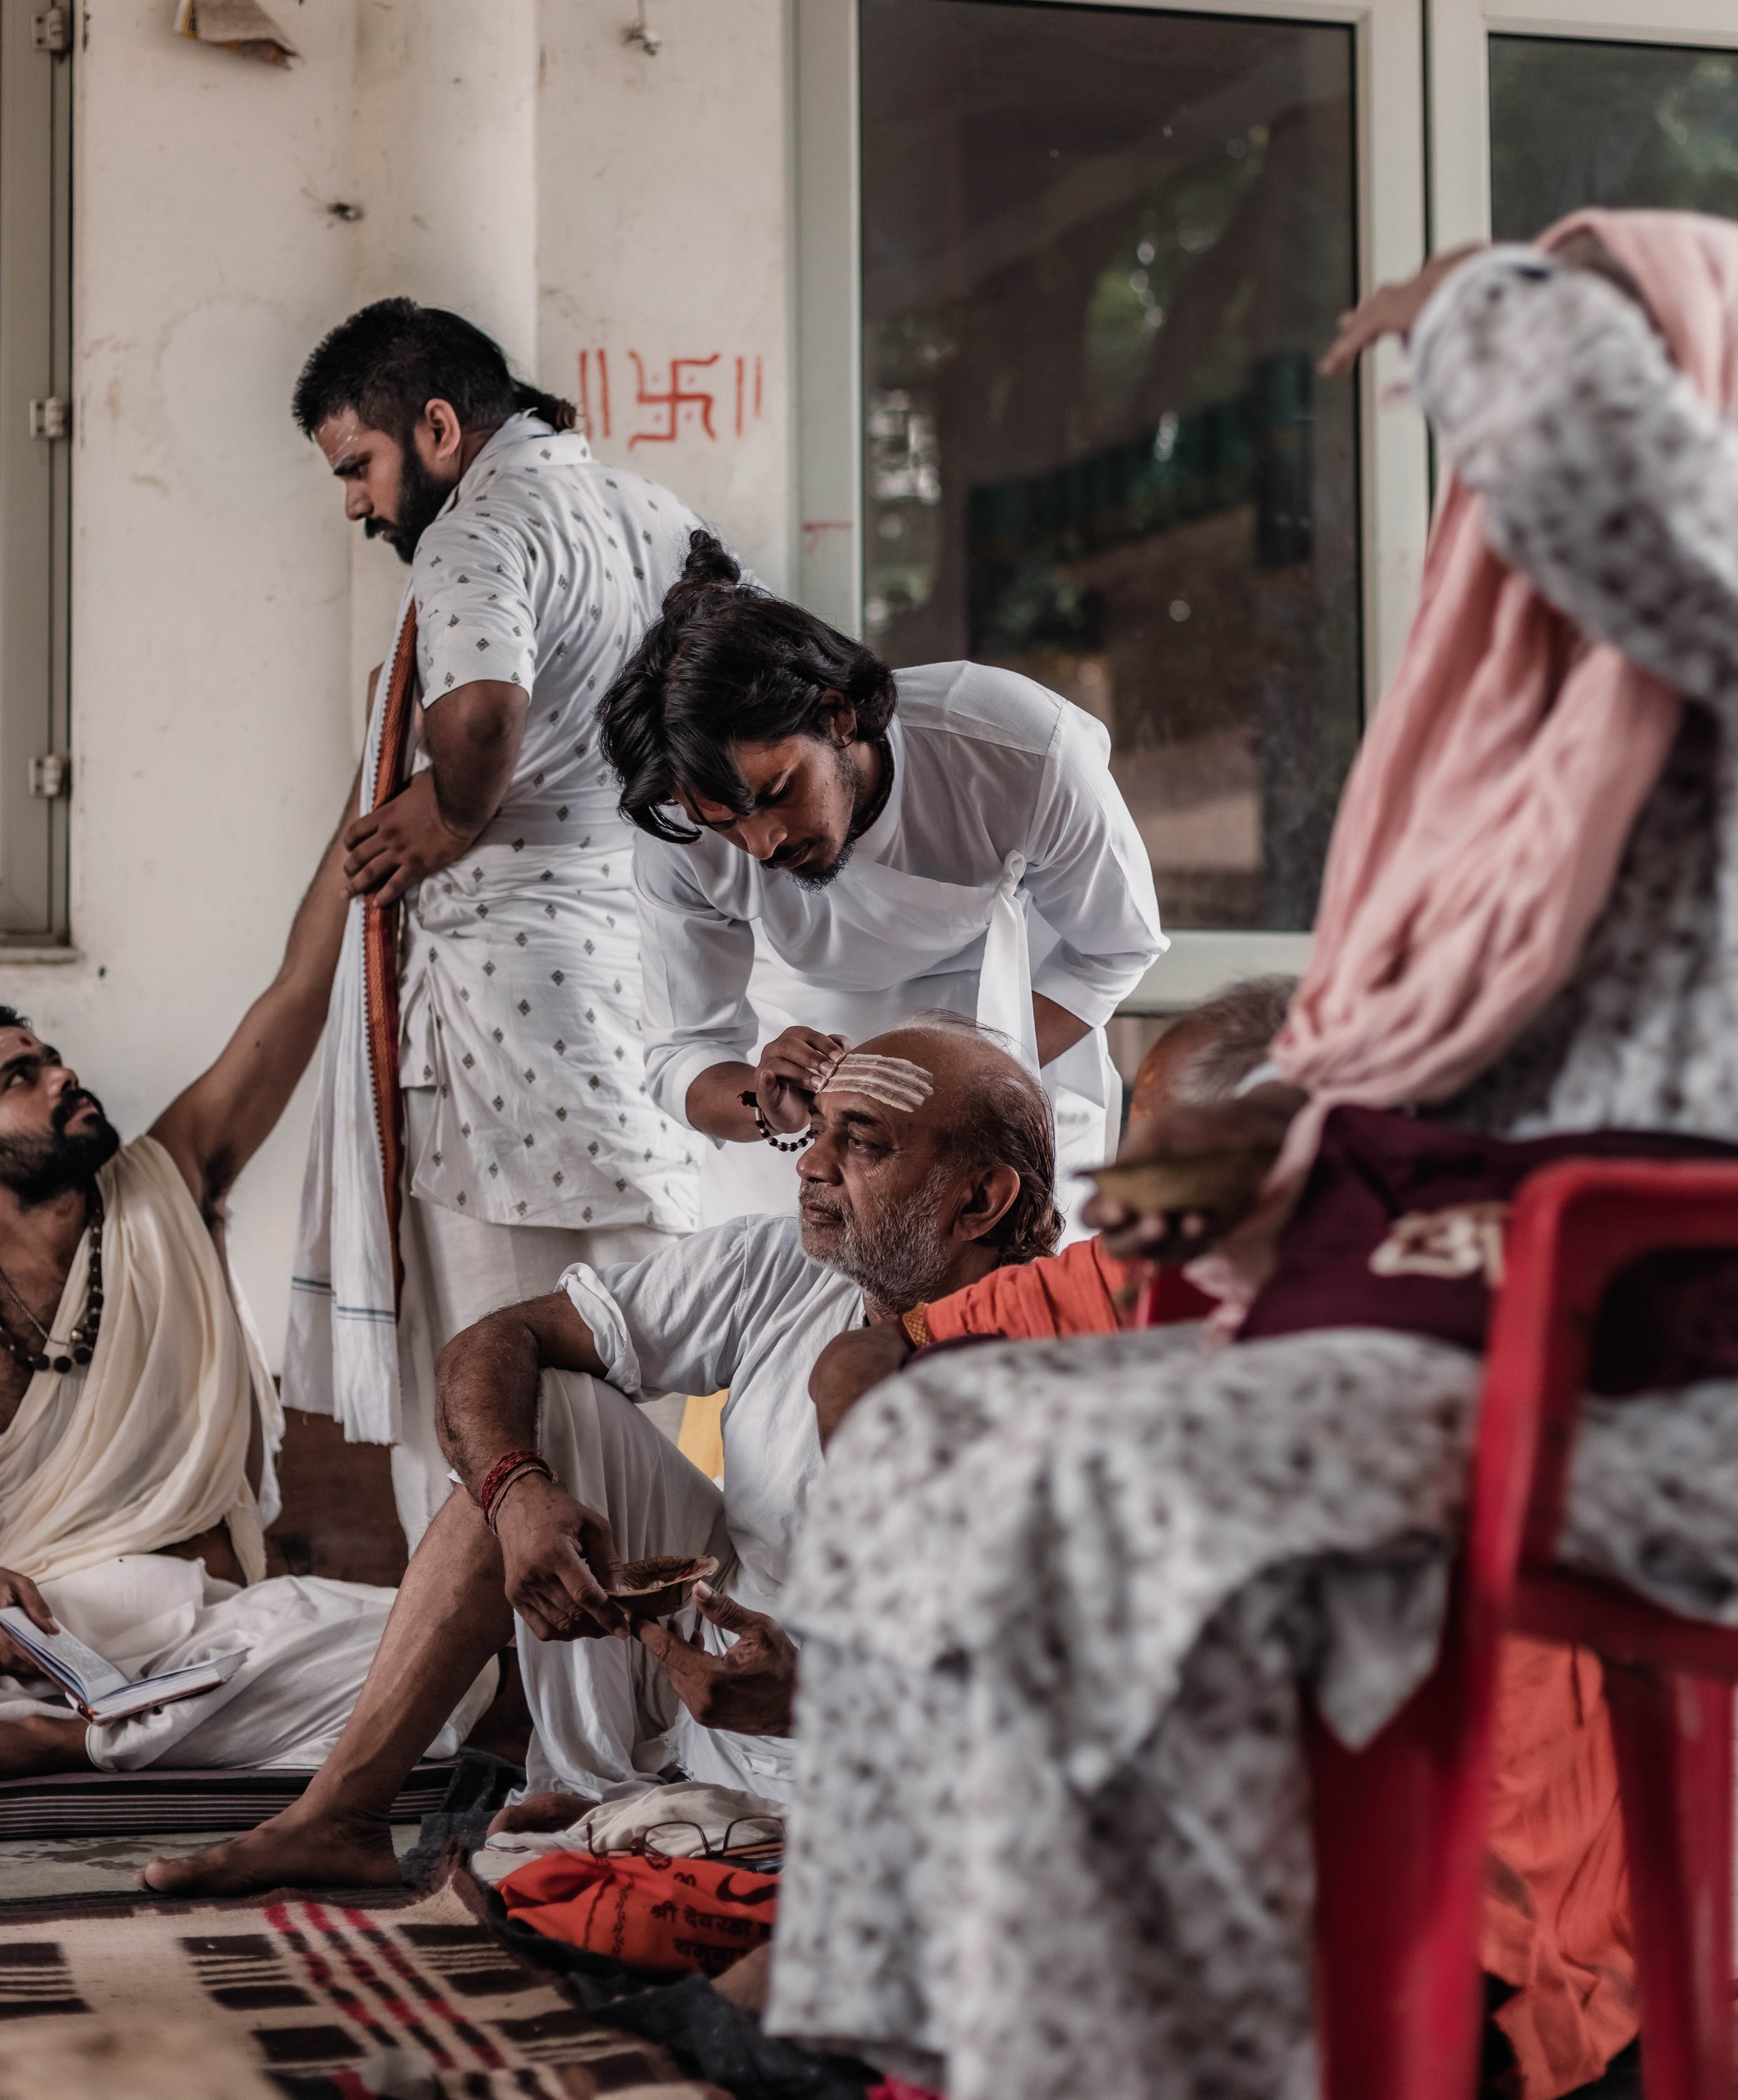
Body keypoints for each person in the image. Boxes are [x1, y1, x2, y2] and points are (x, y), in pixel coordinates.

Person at [764, 212, 1738, 2100]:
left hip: (1652, 1385)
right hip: (1502, 1340)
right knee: (939, 1442)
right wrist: (1274, 1192)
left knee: (1120, 1502)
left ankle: (1220, 2047)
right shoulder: (1587, 807)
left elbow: (1634, 519)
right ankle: (985, 2036)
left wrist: (1490, 303)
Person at [138, 1017, 1062, 1898]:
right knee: (536, 1417)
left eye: (863, 1144)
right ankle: (344, 1814)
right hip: (698, 1689)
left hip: (862, 1755)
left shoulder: (1062, 1377)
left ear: (980, 1200)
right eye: (816, 1131)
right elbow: (491, 1344)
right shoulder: (788, 1265)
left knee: (597, 1889)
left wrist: (812, 1705)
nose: (811, 1165)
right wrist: (515, 1493)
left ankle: (635, 1813)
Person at [285, 300, 704, 1543]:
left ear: (437, 427)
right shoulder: (652, 513)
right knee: (638, 1362)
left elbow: (475, 719)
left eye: (358, 467)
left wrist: (449, 814)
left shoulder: (474, 533)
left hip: (501, 1029)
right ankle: (653, 1678)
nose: (358, 505)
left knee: (486, 1380)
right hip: (638, 986)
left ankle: (497, 1705)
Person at [0, 803, 494, 1784]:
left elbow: (300, 991)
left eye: (52, 1057)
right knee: (407, 1700)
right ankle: (121, 1731)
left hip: (223, 1627)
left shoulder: (168, 1181)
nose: (62, 1075)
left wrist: (373, 770)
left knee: (454, 1657)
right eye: (22, 1076)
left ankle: (85, 1746)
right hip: (50, 1645)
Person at [596, 534, 1165, 1226]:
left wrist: (964, 1085)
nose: (760, 844)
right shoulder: (681, 830)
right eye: (724, 825)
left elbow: (1115, 946)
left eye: (776, 791)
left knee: (1001, 1319)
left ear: (837, 716)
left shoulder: (1013, 748)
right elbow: (684, 1052)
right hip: (801, 1090)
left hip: (1004, 1042)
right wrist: (770, 1104)